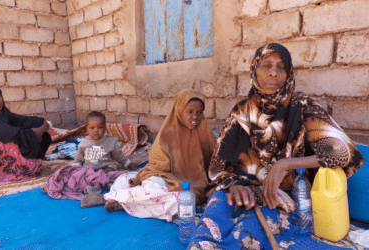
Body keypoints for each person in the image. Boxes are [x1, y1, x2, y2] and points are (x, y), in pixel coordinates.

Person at [188, 43, 364, 250]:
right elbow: (218, 166)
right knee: (212, 220)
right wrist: (234, 185)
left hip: (283, 197)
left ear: (289, 73)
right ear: (254, 70)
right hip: (242, 190)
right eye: (266, 65)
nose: (273, 73)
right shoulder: (242, 111)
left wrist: (286, 164)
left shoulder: (302, 106)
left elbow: (346, 153)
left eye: (281, 67)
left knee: (249, 233)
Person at [103, 89, 217, 221]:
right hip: (166, 179)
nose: (195, 117)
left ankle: (123, 202)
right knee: (144, 186)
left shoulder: (204, 133)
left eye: (199, 113)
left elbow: (214, 163)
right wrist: (172, 181)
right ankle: (123, 199)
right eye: (190, 112)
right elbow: (157, 168)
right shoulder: (167, 133)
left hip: (191, 186)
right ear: (179, 111)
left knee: (182, 202)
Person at [0, 83, 52, 182]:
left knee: (43, 135)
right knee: (5, 139)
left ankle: (30, 159)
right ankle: (32, 169)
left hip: (1, 157)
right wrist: (31, 134)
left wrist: (42, 124)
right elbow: (0, 132)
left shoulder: (3, 113)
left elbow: (23, 120)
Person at [73, 111, 135, 194]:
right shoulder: (83, 143)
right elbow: (79, 158)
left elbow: (119, 155)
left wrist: (127, 163)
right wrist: (76, 167)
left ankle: (104, 184)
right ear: (87, 128)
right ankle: (96, 186)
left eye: (100, 127)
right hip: (90, 170)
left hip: (107, 168)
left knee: (112, 175)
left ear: (105, 128)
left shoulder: (110, 142)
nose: (96, 130)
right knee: (83, 177)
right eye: (92, 128)